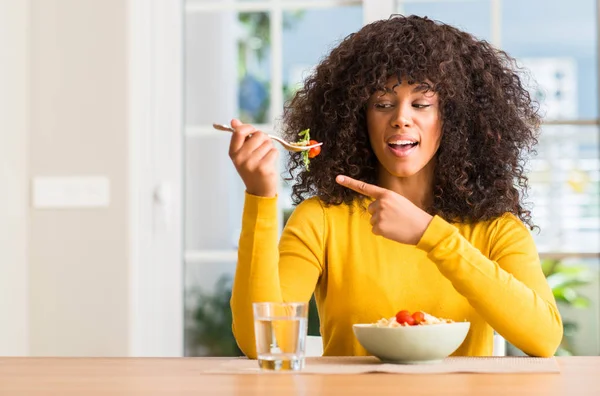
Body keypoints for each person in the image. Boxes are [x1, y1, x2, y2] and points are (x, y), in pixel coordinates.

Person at [227, 14, 562, 358]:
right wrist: (260, 196)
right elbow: (262, 343)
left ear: (456, 120)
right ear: (358, 118)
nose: (401, 118)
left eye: (421, 104)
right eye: (383, 104)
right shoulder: (321, 220)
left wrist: (431, 235)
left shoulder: (495, 227)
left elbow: (544, 338)